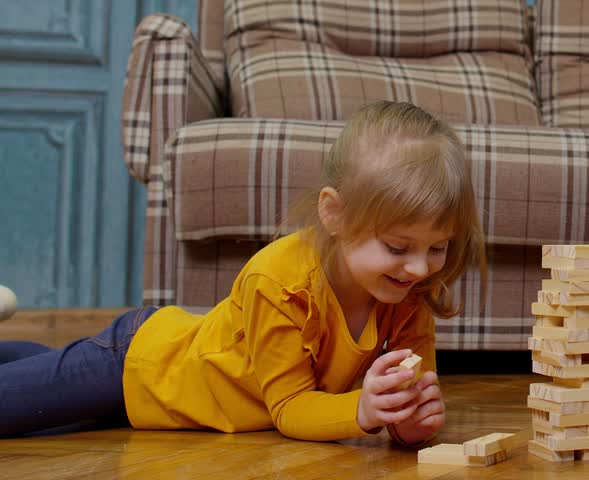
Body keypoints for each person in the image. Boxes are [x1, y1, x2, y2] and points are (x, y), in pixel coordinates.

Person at [0, 100, 487, 443]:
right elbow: (291, 408)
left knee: (48, 389)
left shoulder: (409, 294)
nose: (421, 267)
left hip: (149, 409)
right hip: (138, 367)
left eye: (438, 247)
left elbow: (408, 408)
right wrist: (361, 411)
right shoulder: (277, 279)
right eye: (398, 246)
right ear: (334, 214)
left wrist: (410, 421)